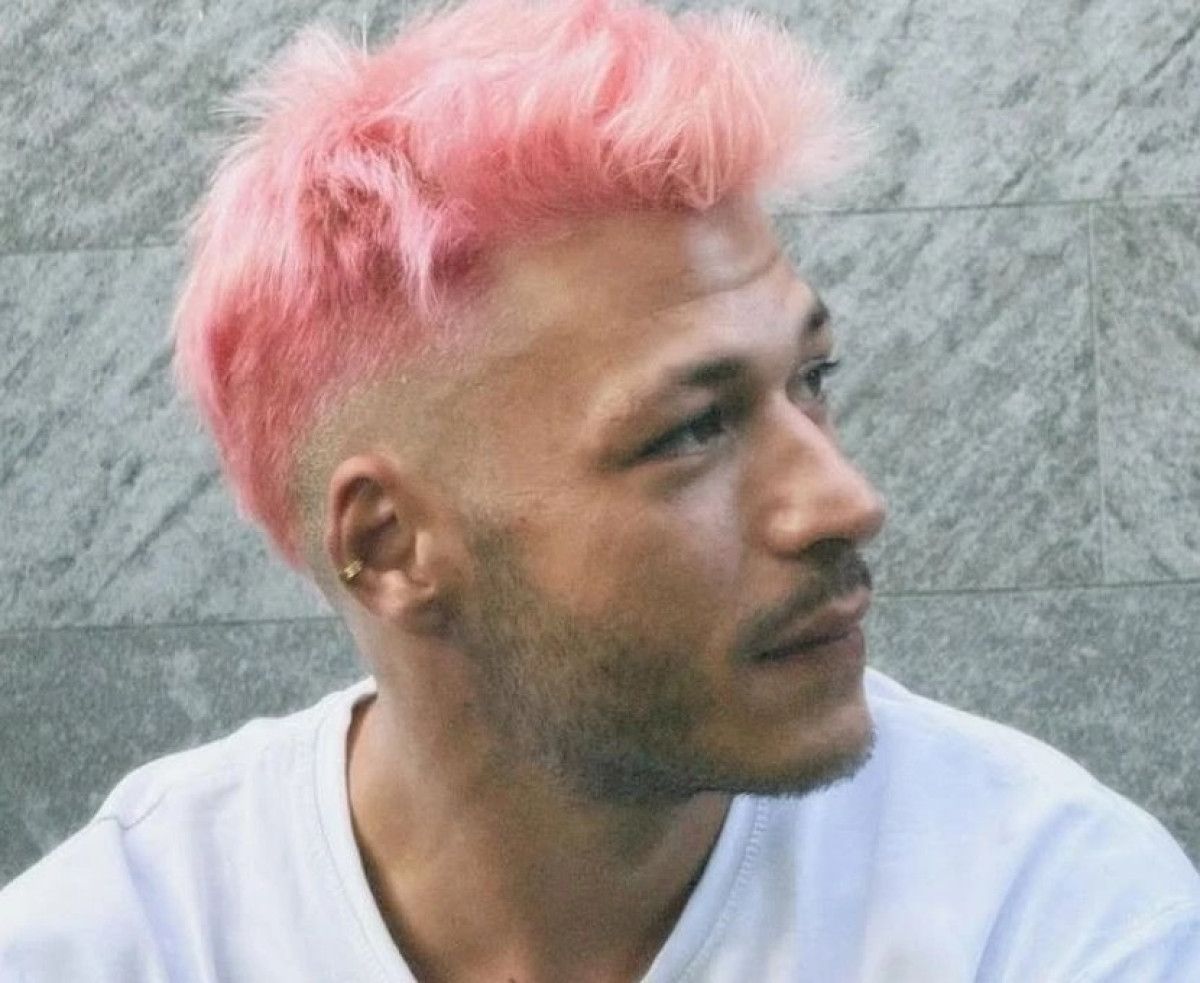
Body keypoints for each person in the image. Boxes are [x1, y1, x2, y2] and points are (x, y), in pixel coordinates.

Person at [2, 0, 1198, 978]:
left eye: (812, 379)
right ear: (392, 541)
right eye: (691, 429)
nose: (844, 501)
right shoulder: (117, 944)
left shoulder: (1042, 912)